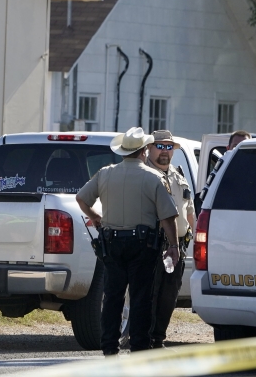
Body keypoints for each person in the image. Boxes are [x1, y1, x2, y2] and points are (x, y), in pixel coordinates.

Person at [76, 127, 179, 355]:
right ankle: (139, 348)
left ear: (123, 152)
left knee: (112, 297)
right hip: (143, 246)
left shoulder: (105, 173)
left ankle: (109, 347)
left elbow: (81, 198)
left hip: (111, 244)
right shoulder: (154, 177)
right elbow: (168, 217)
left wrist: (95, 218)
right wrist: (174, 246)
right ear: (144, 151)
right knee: (141, 297)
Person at [145, 130, 196, 348]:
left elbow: (190, 211)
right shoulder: (144, 174)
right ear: (149, 148)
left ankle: (158, 338)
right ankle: (144, 338)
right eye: (160, 146)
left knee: (169, 296)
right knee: (149, 294)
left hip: (178, 247)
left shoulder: (178, 176)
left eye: (169, 147)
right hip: (152, 244)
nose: (164, 152)